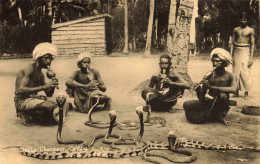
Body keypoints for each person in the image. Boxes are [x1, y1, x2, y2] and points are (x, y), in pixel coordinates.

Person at [14, 42, 68, 126]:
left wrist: (53, 85)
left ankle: (36, 115)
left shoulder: (40, 74)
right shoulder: (29, 68)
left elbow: (48, 93)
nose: (48, 61)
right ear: (38, 58)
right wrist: (45, 86)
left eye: (50, 59)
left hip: (34, 98)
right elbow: (20, 90)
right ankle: (24, 112)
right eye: (45, 58)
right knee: (50, 107)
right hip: (22, 100)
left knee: (64, 102)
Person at [183, 48, 237, 126]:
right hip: (209, 103)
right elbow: (202, 98)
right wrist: (199, 90)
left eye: (217, 61)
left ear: (224, 63)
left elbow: (234, 89)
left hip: (221, 104)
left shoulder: (230, 76)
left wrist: (211, 87)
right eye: (213, 61)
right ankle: (215, 115)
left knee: (223, 95)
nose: (214, 63)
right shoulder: (210, 75)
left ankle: (219, 115)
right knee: (186, 104)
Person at [230, 12, 255, 100]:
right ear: (239, 20)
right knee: (236, 72)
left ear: (247, 20)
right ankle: (235, 91)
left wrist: (251, 58)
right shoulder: (236, 29)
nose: (243, 21)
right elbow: (232, 43)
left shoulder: (250, 30)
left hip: (246, 50)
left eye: (245, 19)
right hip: (237, 50)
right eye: (241, 19)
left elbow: (252, 44)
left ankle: (246, 91)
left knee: (245, 71)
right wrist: (231, 55)